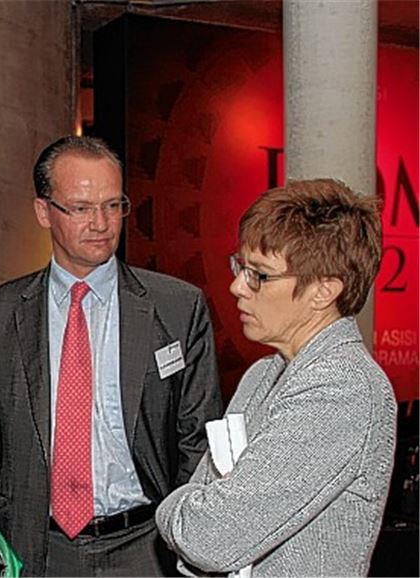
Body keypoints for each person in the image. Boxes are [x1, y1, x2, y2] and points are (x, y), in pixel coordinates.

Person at [0, 135, 224, 576]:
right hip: (39, 552)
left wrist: (192, 552)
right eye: (81, 207)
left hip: (147, 549)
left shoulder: (177, 307)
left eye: (114, 206)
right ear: (43, 212)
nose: (101, 223)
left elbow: (198, 441)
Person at [156, 179, 396, 576]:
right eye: (240, 267)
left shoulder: (344, 388)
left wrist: (171, 509)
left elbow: (208, 537)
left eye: (259, 276)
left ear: (323, 291)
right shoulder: (262, 374)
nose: (237, 287)